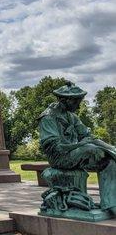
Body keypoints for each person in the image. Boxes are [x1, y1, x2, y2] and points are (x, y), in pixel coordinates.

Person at [39, 82, 116, 213]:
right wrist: (82, 144)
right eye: (76, 101)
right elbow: (56, 148)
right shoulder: (48, 117)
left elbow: (87, 136)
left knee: (109, 161)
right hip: (60, 158)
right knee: (92, 150)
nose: (79, 104)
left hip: (75, 153)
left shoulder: (72, 116)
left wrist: (111, 148)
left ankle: (110, 204)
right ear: (64, 100)